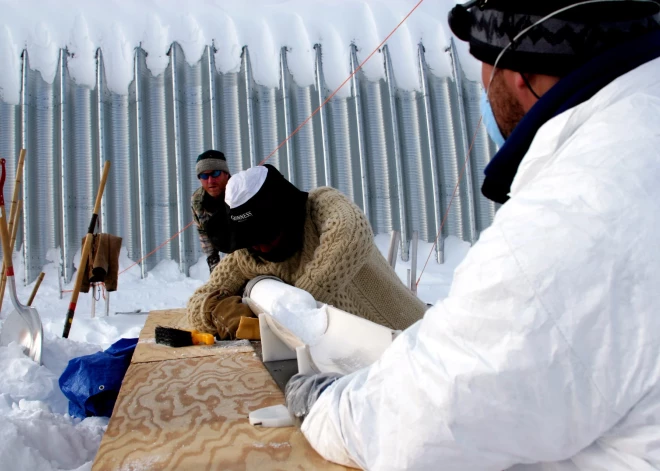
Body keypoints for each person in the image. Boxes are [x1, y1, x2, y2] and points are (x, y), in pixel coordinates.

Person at [283, 1, 660, 469]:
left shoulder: (572, 217)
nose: (481, 87)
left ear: (518, 72)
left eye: (483, 67)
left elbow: (421, 427)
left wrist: (328, 406)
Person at [186, 164, 427, 337]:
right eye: (251, 239)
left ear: (286, 216)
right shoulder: (247, 257)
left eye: (266, 233)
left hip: (413, 334)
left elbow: (351, 234)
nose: (260, 246)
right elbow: (196, 301)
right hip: (359, 361)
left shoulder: (320, 207)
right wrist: (216, 312)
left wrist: (290, 311)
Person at [191, 149, 231, 272]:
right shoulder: (198, 200)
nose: (210, 181)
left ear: (226, 174)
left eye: (215, 173)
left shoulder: (240, 191)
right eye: (204, 175)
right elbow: (203, 233)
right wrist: (213, 262)